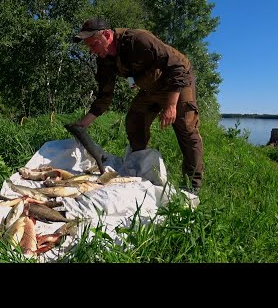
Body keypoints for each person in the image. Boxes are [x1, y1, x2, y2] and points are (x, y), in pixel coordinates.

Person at [71, 17, 204, 189]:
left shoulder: (137, 40)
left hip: (176, 81)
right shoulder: (103, 59)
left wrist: (171, 106)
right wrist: (83, 124)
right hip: (151, 87)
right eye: (88, 47)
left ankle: (193, 186)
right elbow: (105, 95)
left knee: (186, 128)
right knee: (134, 121)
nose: (92, 51)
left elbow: (177, 66)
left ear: (106, 35)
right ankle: (142, 169)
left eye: (93, 44)